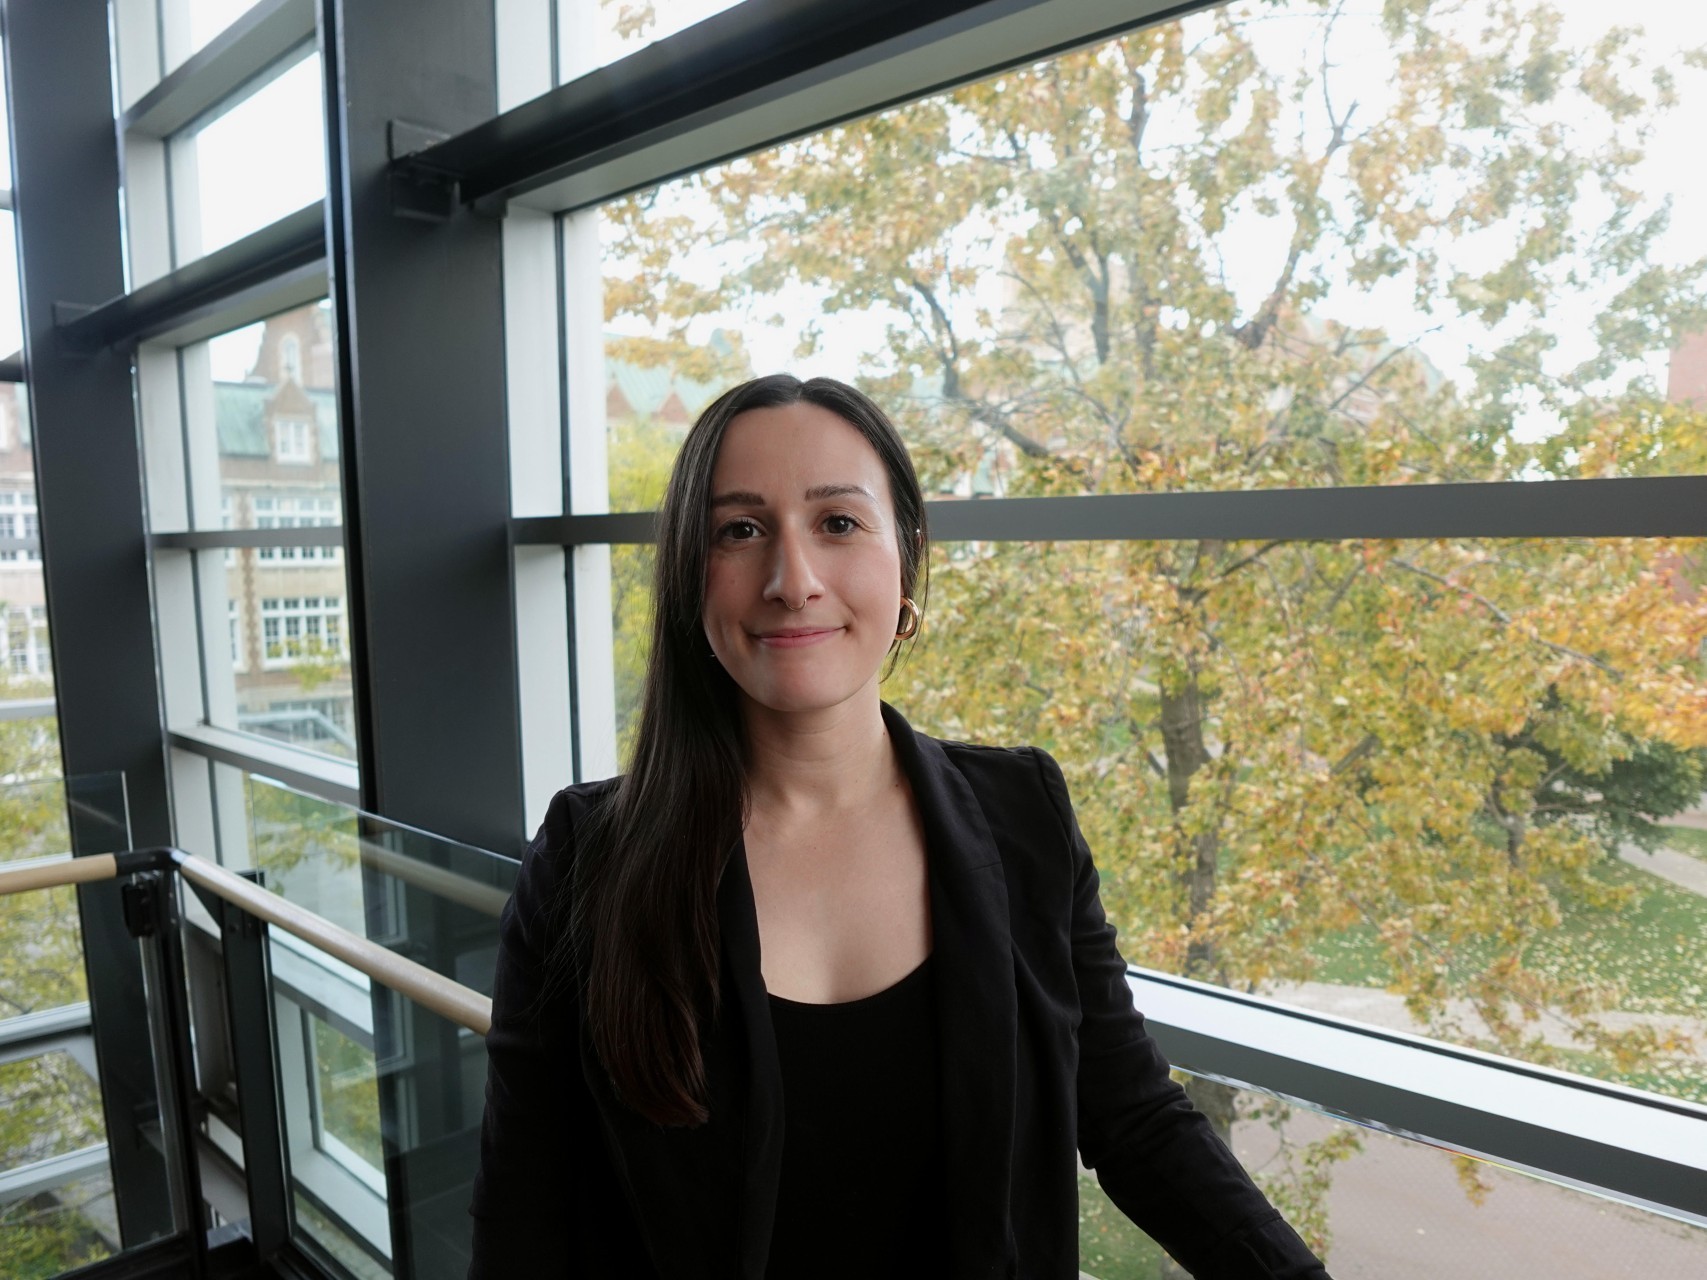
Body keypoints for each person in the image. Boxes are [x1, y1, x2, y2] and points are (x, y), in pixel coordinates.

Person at [469, 374, 1330, 1278]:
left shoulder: (1021, 816)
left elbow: (1134, 1120)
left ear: (907, 557)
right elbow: (523, 1212)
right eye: (739, 530)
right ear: (691, 575)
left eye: (837, 523)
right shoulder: (587, 858)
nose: (791, 580)